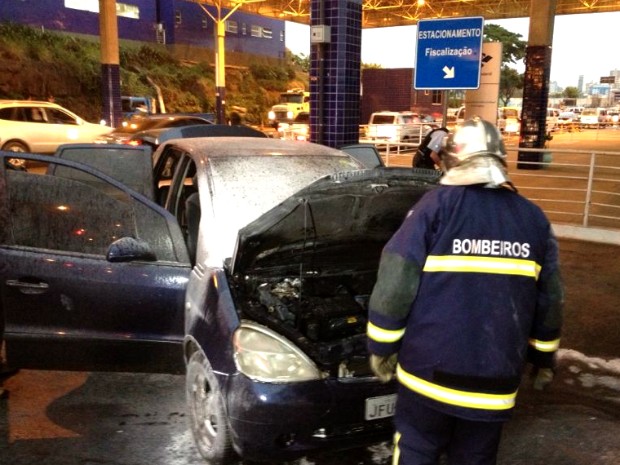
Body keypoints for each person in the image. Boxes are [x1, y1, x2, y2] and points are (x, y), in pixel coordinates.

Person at [367, 117, 564, 465]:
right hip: (496, 381)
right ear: (501, 161)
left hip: (428, 376)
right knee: (476, 457)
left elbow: (396, 280)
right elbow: (550, 301)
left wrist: (382, 346)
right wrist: (543, 358)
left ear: (453, 159)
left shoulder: (434, 208)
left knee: (417, 448)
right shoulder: (534, 219)